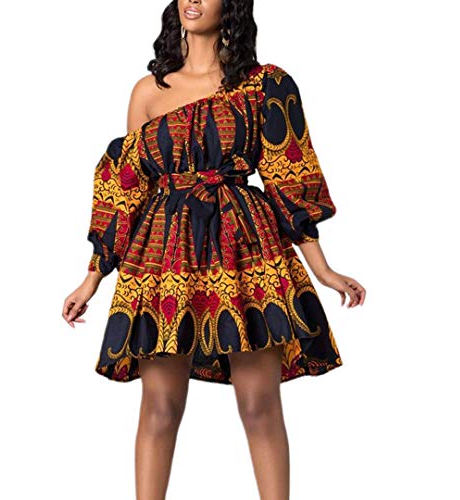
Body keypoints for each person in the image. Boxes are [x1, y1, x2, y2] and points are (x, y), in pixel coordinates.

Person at [63, 0, 366, 498]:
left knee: (259, 404)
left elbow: (290, 173)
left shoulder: (265, 85)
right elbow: (126, 185)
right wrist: (92, 276)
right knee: (160, 407)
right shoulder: (148, 92)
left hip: (244, 247)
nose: (193, 0)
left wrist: (323, 269)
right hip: (162, 253)